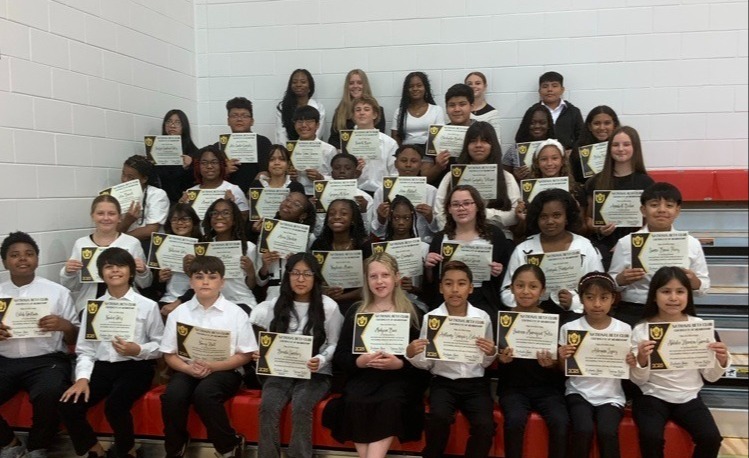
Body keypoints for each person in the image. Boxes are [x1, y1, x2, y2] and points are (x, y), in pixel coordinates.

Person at [59, 247, 163, 458]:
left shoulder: (148, 306)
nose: (115, 271)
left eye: (121, 266)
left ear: (131, 272)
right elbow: (86, 350)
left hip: (136, 367)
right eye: (108, 267)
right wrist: (81, 379)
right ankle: (94, 450)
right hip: (102, 367)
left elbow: (160, 346)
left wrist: (138, 349)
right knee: (69, 405)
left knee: (116, 405)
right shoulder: (93, 308)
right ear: (100, 273)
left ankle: (127, 451)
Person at [323, 252, 427, 458]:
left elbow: (423, 361)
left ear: (397, 277)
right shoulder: (356, 312)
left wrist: (400, 364)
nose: (379, 281)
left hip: (399, 381)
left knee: (390, 402)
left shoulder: (414, 313)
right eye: (373, 276)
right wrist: (359, 362)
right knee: (354, 400)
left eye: (385, 275)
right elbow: (341, 355)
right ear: (366, 280)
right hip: (364, 378)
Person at [160, 256, 255, 458]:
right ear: (190, 282)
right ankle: (175, 446)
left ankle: (229, 446)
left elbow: (246, 354)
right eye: (199, 276)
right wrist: (186, 368)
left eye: (212, 277)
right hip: (188, 368)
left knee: (205, 394)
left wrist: (214, 366)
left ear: (222, 282)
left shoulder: (236, 313)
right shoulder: (179, 313)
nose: (205, 281)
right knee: (173, 395)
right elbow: (169, 354)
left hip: (225, 370)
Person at [630, 266, 730, 458]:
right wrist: (641, 360)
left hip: (688, 396)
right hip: (652, 395)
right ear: (653, 296)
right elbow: (639, 381)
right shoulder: (642, 330)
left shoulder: (699, 327)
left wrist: (722, 360)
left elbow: (710, 376)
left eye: (680, 291)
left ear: (688, 296)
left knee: (711, 438)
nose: (673, 298)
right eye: (666, 291)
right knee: (651, 438)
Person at [251, 253, 343, 458]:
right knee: (268, 406)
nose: (300, 279)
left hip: (315, 371)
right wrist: (262, 354)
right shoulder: (275, 304)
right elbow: (268, 340)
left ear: (315, 277)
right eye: (295, 274)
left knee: (301, 406)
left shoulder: (329, 306)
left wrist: (321, 359)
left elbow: (334, 342)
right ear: (287, 277)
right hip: (281, 370)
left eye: (307, 274)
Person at [407, 261, 497, 458]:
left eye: (461, 283)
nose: (455, 290)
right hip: (443, 383)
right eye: (448, 283)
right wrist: (413, 353)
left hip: (476, 384)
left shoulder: (482, 318)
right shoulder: (432, 318)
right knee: (437, 419)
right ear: (440, 287)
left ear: (471, 288)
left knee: (485, 426)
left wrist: (491, 352)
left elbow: (484, 362)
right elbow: (427, 363)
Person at [0, 232, 78, 458]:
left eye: (29, 254)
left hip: (47, 361)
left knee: (51, 391)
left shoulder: (57, 292)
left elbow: (75, 339)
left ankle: (37, 446)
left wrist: (64, 325)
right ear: (5, 262)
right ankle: (9, 442)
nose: (22, 259)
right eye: (15, 255)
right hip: (5, 361)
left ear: (37, 258)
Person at [608, 182, 709, 326]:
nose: (662, 210)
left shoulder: (691, 243)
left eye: (669, 205)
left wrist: (693, 281)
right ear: (643, 210)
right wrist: (620, 279)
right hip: (635, 311)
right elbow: (610, 283)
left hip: (676, 312)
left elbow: (704, 288)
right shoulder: (626, 243)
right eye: (654, 205)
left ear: (678, 210)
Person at [496, 264, 569, 458]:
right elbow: (492, 362)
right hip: (513, 388)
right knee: (514, 420)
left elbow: (560, 366)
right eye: (520, 286)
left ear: (542, 291)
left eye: (533, 286)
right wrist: (501, 360)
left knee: (560, 420)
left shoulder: (554, 321)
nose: (526, 291)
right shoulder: (503, 320)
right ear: (511, 288)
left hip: (547, 389)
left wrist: (553, 363)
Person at [557, 272, 632, 458]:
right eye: (590, 297)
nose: (597, 304)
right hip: (578, 392)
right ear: (581, 299)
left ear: (613, 299)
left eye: (604, 298)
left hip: (611, 396)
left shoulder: (624, 329)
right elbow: (563, 369)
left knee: (607, 432)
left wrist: (632, 362)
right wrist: (562, 357)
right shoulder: (570, 328)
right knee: (583, 430)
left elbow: (631, 369)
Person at [501, 188, 603, 319]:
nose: (550, 221)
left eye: (556, 215)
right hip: (532, 318)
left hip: (576, 317)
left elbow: (599, 288)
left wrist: (574, 302)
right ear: (536, 219)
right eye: (543, 216)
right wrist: (528, 299)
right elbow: (506, 293)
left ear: (567, 217)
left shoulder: (585, 246)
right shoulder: (523, 249)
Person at [425, 185, 514, 329]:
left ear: (477, 206)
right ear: (449, 209)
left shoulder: (495, 235)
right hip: (448, 298)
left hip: (483, 298)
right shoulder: (441, 238)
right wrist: (429, 267)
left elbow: (507, 278)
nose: (461, 208)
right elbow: (432, 284)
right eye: (455, 204)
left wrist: (499, 271)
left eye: (467, 203)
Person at [61, 195, 152, 312]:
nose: (106, 218)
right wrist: (68, 272)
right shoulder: (81, 244)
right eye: (100, 213)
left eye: (111, 213)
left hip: (125, 306)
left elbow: (145, 283)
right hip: (89, 306)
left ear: (119, 217)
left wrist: (142, 271)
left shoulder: (131, 243)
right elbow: (72, 286)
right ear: (92, 216)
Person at [433, 121, 520, 239]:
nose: (478, 145)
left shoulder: (506, 177)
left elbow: (514, 215)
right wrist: (454, 234)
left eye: (484, 140)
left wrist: (480, 213)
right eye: (473, 141)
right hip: (456, 237)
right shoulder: (451, 176)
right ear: (466, 146)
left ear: (493, 145)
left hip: (497, 237)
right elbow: (439, 213)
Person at [584, 126, 654, 270]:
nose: (621, 149)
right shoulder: (595, 181)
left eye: (626, 144)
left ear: (635, 148)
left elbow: (650, 222)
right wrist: (598, 228)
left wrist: (626, 244)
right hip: (603, 248)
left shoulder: (646, 183)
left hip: (635, 248)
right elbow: (587, 219)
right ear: (609, 148)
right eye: (615, 145)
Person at [511, 138, 586, 242]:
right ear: (537, 163)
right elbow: (519, 234)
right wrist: (523, 220)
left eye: (555, 158)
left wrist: (575, 213)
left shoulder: (576, 190)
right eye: (544, 159)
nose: (549, 163)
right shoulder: (528, 190)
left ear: (562, 161)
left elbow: (583, 230)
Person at [310, 199, 372, 314]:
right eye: (332, 214)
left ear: (353, 219)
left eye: (343, 213)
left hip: (357, 303)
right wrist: (324, 292)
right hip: (325, 302)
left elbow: (369, 285)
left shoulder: (364, 246)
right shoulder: (319, 245)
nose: (337, 217)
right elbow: (313, 280)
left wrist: (338, 298)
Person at [369, 144, 440, 243]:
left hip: (423, 243)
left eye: (414, 161)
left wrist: (430, 217)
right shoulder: (382, 191)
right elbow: (377, 232)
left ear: (421, 165)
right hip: (391, 244)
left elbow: (439, 229)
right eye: (403, 160)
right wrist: (381, 218)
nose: (408, 165)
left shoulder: (431, 191)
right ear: (395, 164)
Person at [255, 192, 317, 301]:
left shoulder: (309, 238)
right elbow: (260, 282)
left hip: (301, 293)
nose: (288, 204)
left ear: (303, 215)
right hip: (273, 295)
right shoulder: (266, 235)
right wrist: (265, 265)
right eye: (287, 199)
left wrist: (298, 262)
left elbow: (315, 274)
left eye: (296, 204)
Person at [376, 195, 430, 312]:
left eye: (406, 218)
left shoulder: (423, 248)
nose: (401, 222)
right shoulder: (381, 249)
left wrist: (413, 289)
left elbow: (430, 289)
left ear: (413, 219)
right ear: (390, 218)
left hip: (414, 303)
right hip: (385, 304)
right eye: (396, 218)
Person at [421, 83, 475, 186]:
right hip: (443, 194)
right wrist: (438, 166)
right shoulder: (435, 136)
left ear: (471, 106)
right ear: (446, 108)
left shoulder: (483, 132)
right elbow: (424, 178)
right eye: (452, 105)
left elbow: (494, 168)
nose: (457, 109)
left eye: (462, 104)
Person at [312, 152, 373, 239]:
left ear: (356, 173)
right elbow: (318, 232)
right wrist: (314, 207)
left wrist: (363, 210)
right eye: (337, 168)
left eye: (348, 168)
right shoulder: (321, 195)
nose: (342, 171)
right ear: (332, 173)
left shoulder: (365, 198)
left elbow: (366, 232)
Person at [221, 97, 273, 195]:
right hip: (228, 199)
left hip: (256, 196)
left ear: (252, 121)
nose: (239, 119)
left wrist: (255, 189)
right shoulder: (220, 146)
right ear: (228, 120)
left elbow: (267, 172)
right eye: (234, 115)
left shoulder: (263, 142)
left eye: (244, 116)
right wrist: (224, 171)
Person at [183, 145, 250, 222]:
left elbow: (243, 221)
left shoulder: (233, 190)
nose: (209, 166)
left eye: (214, 162)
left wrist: (231, 205)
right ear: (198, 166)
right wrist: (182, 206)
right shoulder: (190, 192)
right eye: (204, 163)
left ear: (221, 165)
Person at [158, 204, 203, 316]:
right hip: (167, 299)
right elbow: (155, 287)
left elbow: (205, 283)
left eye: (185, 219)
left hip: (195, 300)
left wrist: (178, 303)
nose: (179, 223)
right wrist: (160, 279)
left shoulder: (203, 247)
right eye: (174, 219)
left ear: (194, 222)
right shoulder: (163, 247)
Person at [348, 95, 397, 193]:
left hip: (381, 192)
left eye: (366, 109)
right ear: (353, 115)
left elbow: (395, 173)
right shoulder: (346, 141)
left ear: (374, 115)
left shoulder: (389, 143)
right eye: (358, 110)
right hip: (355, 191)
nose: (362, 113)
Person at [118, 155, 170, 247]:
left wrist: (120, 239)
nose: (125, 180)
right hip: (126, 246)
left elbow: (150, 230)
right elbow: (115, 230)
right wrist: (127, 221)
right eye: (123, 174)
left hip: (149, 245)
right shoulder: (119, 195)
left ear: (144, 179)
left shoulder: (157, 194)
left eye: (131, 177)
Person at [286, 105, 338, 196]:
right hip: (295, 195)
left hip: (321, 195)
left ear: (317, 125)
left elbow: (337, 178)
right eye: (299, 121)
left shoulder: (329, 150)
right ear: (294, 125)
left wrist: (321, 177)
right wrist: (289, 177)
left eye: (309, 121)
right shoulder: (289, 149)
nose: (304, 125)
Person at [328, 69, 386, 148]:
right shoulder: (340, 112)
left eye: (359, 83)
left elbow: (381, 139)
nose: (355, 86)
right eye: (351, 83)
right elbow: (333, 140)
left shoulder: (377, 110)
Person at [155, 109, 200, 203]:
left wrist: (191, 165)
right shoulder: (156, 150)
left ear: (184, 126)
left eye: (177, 122)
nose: (172, 125)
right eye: (169, 122)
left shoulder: (194, 153)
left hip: (185, 202)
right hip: (162, 201)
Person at [532, 71, 584, 153]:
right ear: (539, 91)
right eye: (545, 86)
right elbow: (524, 137)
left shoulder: (573, 111)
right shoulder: (532, 112)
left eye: (554, 86)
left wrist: (573, 152)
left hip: (568, 160)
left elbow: (581, 137)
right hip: (541, 160)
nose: (550, 89)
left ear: (562, 90)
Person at [503, 103, 556, 183]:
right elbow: (502, 179)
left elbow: (566, 174)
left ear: (548, 125)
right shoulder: (514, 150)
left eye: (542, 122)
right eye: (532, 123)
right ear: (526, 124)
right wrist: (514, 177)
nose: (537, 126)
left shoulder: (557, 148)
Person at [569, 106, 621, 184]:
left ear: (614, 125)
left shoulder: (621, 148)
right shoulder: (579, 150)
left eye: (607, 123)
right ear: (589, 126)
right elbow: (574, 179)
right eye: (597, 123)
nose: (602, 128)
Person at [391, 71, 444, 146]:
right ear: (407, 90)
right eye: (411, 86)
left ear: (425, 88)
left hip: (429, 154)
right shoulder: (399, 112)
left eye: (419, 85)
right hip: (406, 152)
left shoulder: (436, 110)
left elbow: (439, 138)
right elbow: (395, 139)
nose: (415, 89)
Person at [276, 69, 325, 143]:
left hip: (313, 149)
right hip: (289, 151)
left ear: (310, 86)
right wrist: (288, 152)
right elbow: (281, 134)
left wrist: (304, 148)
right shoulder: (282, 107)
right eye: (294, 82)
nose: (298, 85)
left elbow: (318, 133)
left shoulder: (319, 107)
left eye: (303, 82)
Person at [465, 71, 501, 142]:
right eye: (469, 84)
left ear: (485, 86)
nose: (473, 86)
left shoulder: (493, 113)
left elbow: (496, 141)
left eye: (478, 83)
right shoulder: (461, 111)